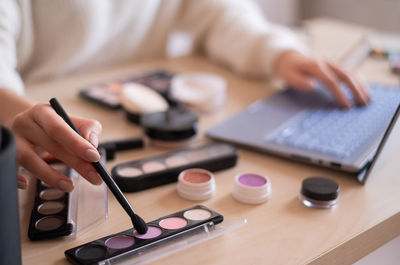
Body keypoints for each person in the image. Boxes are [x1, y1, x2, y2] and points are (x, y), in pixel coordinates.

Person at [0, 0, 370, 192]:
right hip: (40, 125)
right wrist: (14, 109)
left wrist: (279, 53)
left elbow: (220, 13)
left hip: (144, 111)